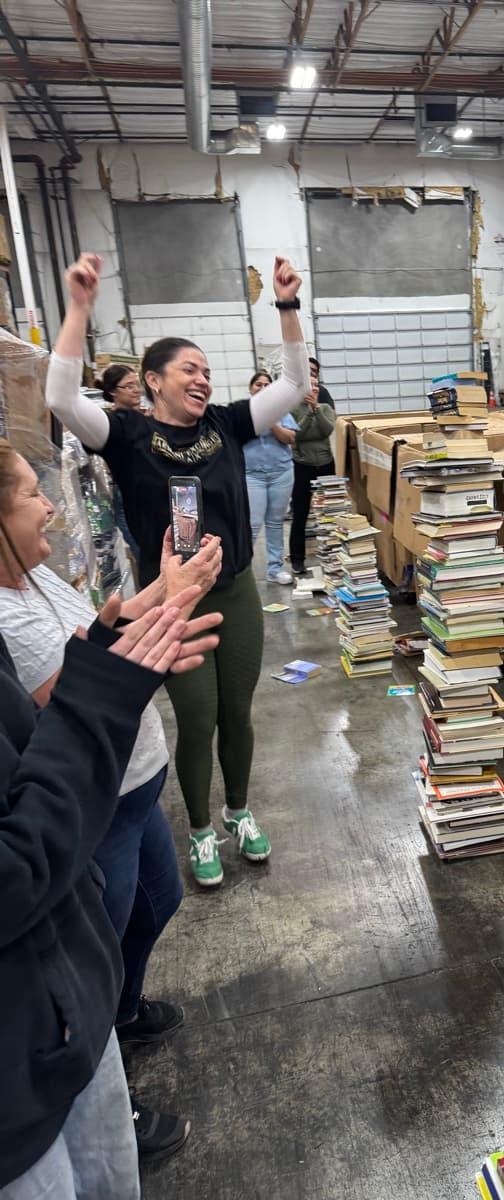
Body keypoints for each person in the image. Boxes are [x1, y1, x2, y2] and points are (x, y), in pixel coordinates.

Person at [46, 252, 310, 888]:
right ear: (153, 380)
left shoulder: (227, 423)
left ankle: (238, 811)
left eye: (207, 370)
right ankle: (198, 830)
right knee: (198, 717)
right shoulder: (125, 434)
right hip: (172, 605)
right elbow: (58, 396)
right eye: (189, 368)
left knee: (238, 713)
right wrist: (79, 308)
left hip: (237, 591)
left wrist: (287, 306)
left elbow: (297, 386)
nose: (202, 378)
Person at [0, 440, 224, 1164]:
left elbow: (100, 635)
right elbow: (73, 694)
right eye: (31, 494)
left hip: (135, 786)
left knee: (154, 903)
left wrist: (163, 588)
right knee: (102, 932)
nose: (49, 505)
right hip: (100, 806)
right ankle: (106, 1047)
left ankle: (118, 1008)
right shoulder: (7, 619)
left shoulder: (34, 580)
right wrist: (145, 646)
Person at [243, 370, 298, 585]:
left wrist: (272, 422)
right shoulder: (242, 411)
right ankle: (242, 572)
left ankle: (275, 569)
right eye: (258, 384)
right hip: (251, 475)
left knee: (275, 523)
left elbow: (290, 438)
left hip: (281, 473)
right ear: (251, 388)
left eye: (267, 384)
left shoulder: (281, 411)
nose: (263, 388)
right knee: (253, 524)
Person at [288, 372, 336, 577]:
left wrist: (316, 409)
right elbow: (298, 435)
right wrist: (309, 413)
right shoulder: (292, 410)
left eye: (316, 385)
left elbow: (327, 430)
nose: (314, 389)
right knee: (300, 513)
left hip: (326, 464)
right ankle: (297, 559)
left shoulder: (325, 408)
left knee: (332, 512)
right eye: (310, 385)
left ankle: (334, 555)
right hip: (302, 465)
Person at [98, 365, 144, 565]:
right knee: (145, 552)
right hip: (129, 494)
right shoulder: (110, 423)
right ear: (112, 391)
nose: (136, 390)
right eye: (129, 386)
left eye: (137, 384)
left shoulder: (143, 417)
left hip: (150, 492)